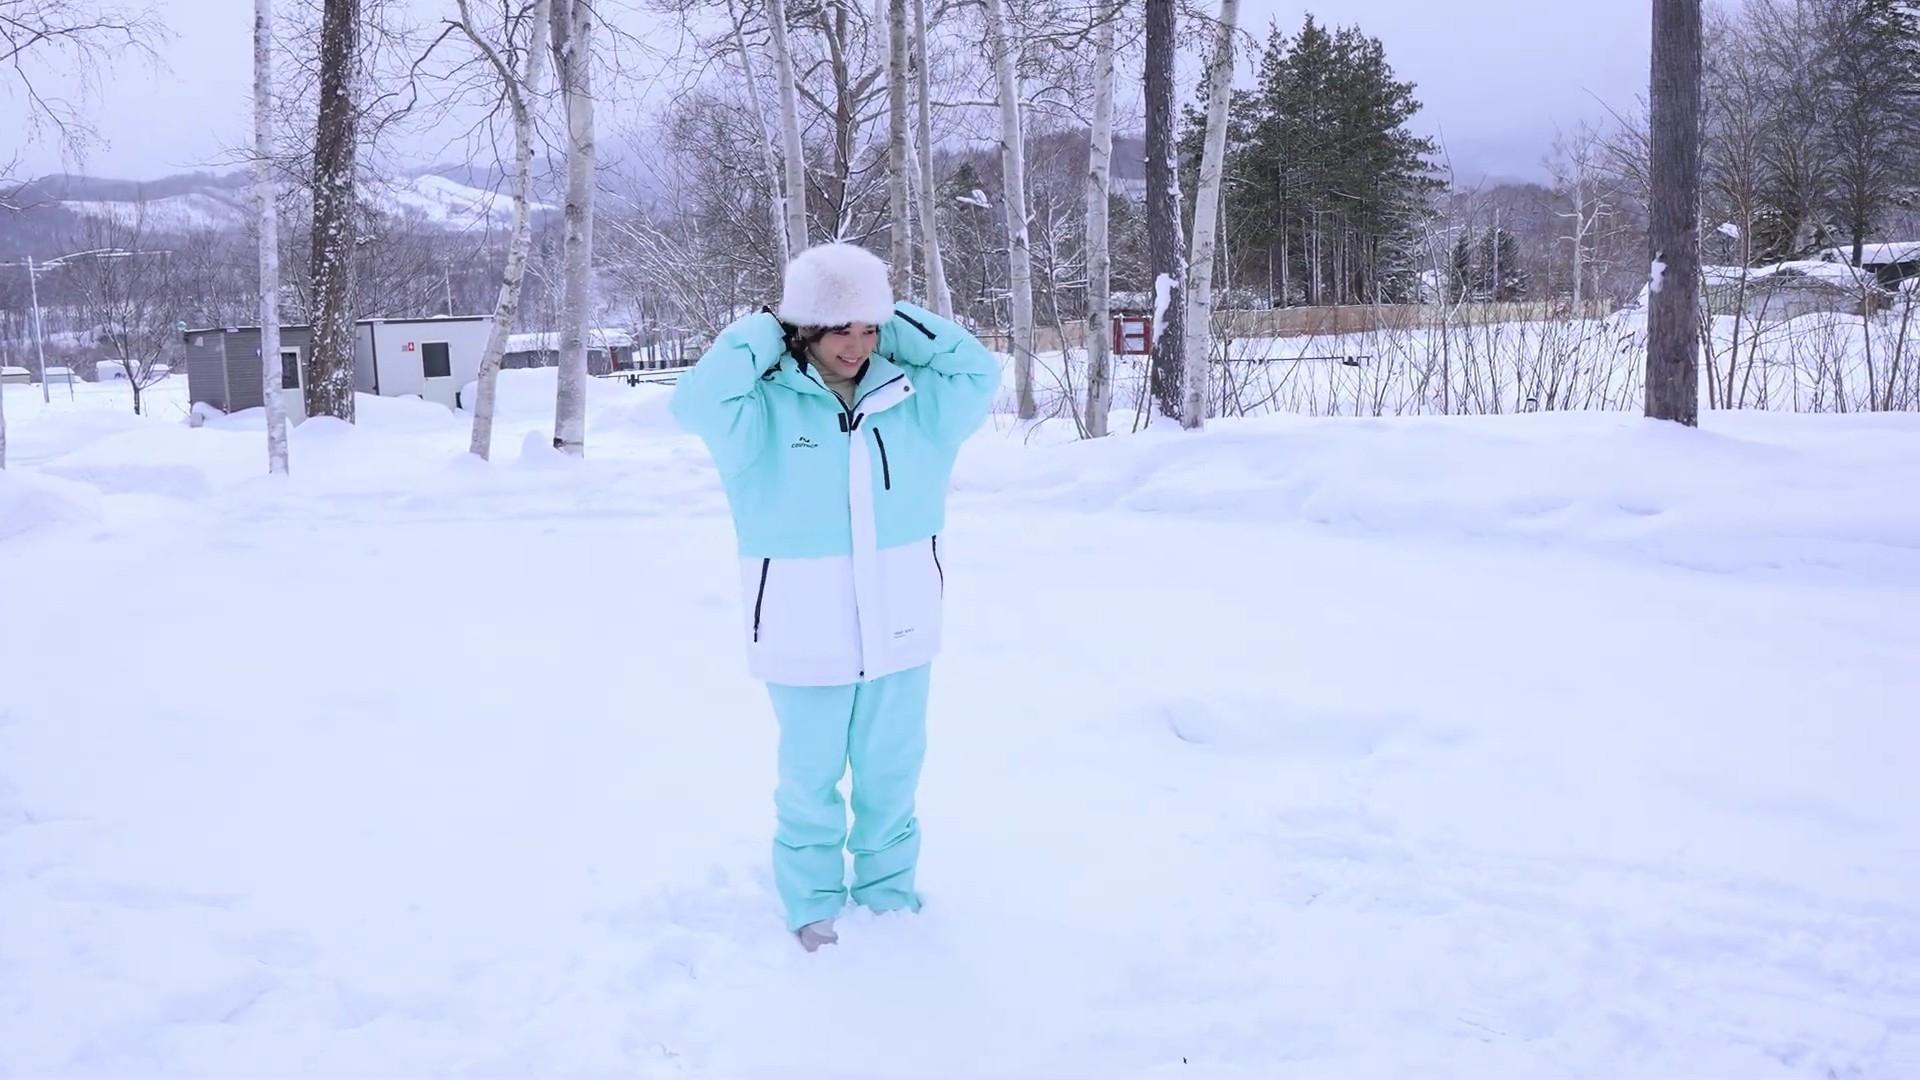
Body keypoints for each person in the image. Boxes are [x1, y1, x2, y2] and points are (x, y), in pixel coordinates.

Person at [669, 243, 1001, 951]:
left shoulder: (916, 401)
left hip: (902, 623)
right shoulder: (757, 409)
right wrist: (773, 325)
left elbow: (977, 368)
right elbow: (695, 401)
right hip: (802, 627)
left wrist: (889, 316)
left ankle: (888, 894)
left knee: (892, 773)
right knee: (809, 779)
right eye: (838, 328)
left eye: (869, 328)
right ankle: (812, 900)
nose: (857, 346)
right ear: (805, 330)